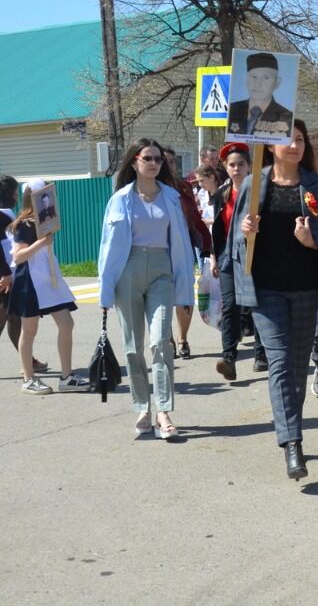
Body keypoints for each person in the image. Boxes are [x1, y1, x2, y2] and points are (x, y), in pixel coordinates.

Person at [234, 119, 318, 481]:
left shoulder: (317, 184)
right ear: (270, 145)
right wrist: (244, 232)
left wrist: (310, 242)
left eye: (301, 139)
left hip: (306, 289)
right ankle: (293, 443)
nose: (295, 145)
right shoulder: (254, 184)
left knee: (299, 366)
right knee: (281, 363)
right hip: (265, 292)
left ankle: (292, 430)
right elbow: (234, 245)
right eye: (288, 139)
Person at [98, 139, 196, 440]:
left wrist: (185, 284)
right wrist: (105, 289)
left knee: (160, 341)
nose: (154, 163)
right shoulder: (120, 199)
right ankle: (142, 407)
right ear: (134, 162)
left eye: (159, 159)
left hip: (161, 272)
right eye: (148, 158)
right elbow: (107, 247)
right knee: (132, 345)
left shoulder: (171, 196)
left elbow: (180, 241)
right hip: (128, 271)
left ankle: (163, 410)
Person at [7, 179, 87, 395]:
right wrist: (41, 242)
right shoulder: (22, 225)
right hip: (31, 281)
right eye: (41, 194)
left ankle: (66, 377)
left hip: (49, 277)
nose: (46, 199)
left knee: (66, 323)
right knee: (29, 331)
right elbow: (18, 255)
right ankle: (28, 378)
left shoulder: (45, 220)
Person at [0, 174, 45, 382]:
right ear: (6, 193)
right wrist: (6, 274)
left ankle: (28, 361)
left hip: (4, 272)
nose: (16, 195)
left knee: (14, 318)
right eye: (14, 191)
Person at [210, 143, 264, 380]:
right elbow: (218, 229)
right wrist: (214, 257)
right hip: (228, 256)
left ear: (249, 166)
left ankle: (261, 353)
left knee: (257, 303)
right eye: (231, 165)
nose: (236, 169)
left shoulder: (260, 191)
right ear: (225, 167)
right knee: (230, 304)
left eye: (241, 164)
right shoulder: (221, 194)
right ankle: (229, 357)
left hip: (257, 253)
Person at [163, 147, 212, 361]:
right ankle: (168, 339)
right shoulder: (147, 189)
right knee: (161, 297)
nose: (170, 166)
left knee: (184, 295)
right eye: (166, 162)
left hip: (182, 248)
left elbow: (193, 217)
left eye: (173, 162)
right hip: (158, 251)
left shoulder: (183, 187)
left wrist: (206, 244)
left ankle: (182, 339)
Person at [227, 52, 293, 136]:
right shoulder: (232, 110)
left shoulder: (287, 117)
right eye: (253, 77)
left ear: (277, 82)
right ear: (246, 80)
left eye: (266, 78)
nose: (257, 84)